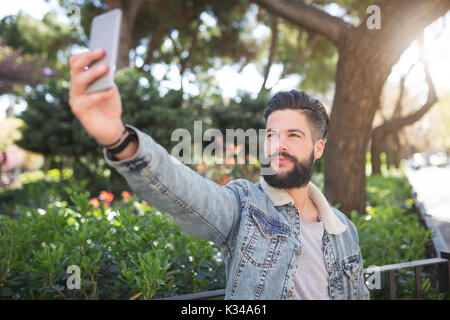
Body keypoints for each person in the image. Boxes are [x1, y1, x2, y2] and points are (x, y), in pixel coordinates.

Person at [68, 49, 370, 300]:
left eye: (294, 135)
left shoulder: (343, 230)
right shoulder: (244, 208)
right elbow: (184, 190)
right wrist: (118, 138)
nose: (278, 145)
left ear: (318, 148)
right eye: (271, 135)